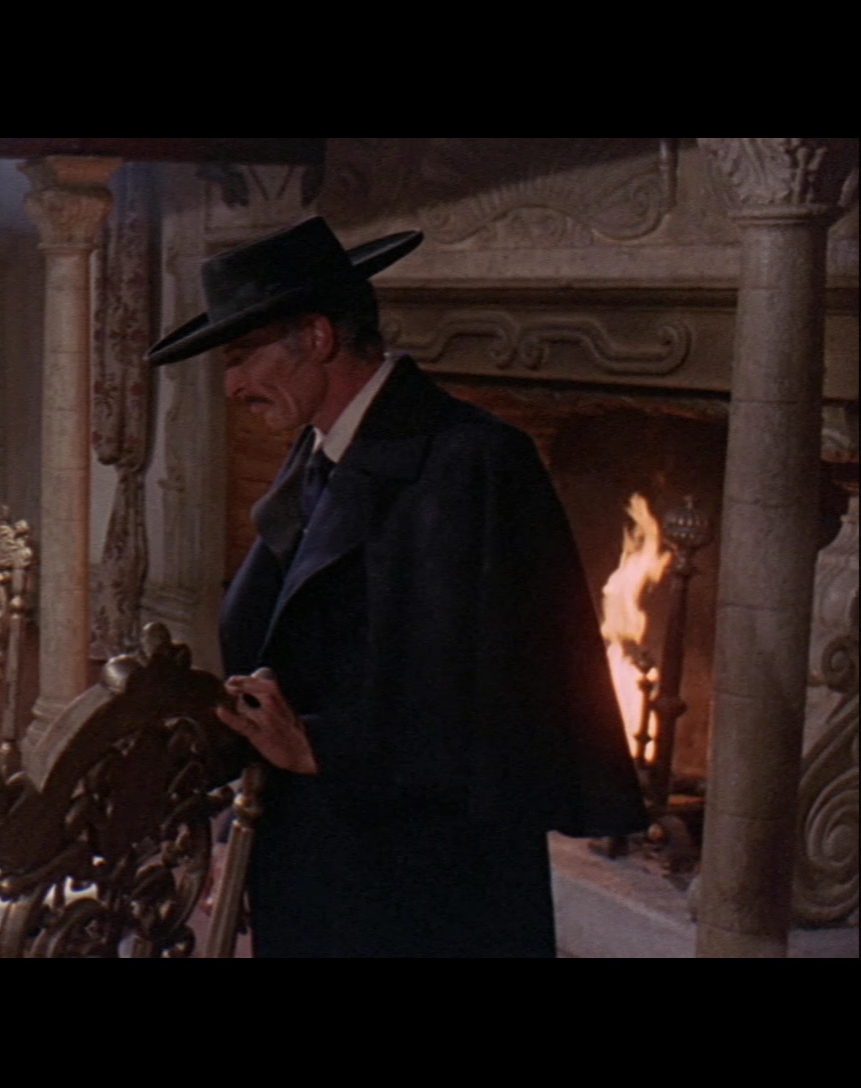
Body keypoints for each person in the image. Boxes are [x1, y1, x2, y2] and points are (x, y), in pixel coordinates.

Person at [146, 217, 645, 957]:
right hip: (326, 858)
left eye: (244, 356)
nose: (232, 386)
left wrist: (323, 746)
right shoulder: (318, 451)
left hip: (427, 886)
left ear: (317, 337)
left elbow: (510, 699)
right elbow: (291, 654)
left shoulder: (474, 462)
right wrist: (236, 831)